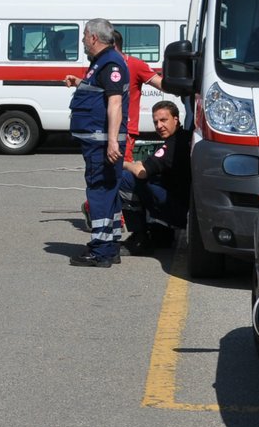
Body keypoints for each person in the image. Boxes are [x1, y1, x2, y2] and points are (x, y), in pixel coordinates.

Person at [63, 18, 128, 267]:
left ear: (93, 38)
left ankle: (100, 250)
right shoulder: (101, 63)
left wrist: (112, 141)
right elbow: (102, 93)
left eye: (83, 37)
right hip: (98, 141)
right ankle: (110, 245)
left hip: (102, 143)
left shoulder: (110, 62)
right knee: (108, 192)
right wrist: (80, 84)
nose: (82, 42)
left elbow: (115, 102)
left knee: (100, 191)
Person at [119, 100, 191, 256]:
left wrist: (125, 164)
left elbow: (141, 172)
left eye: (164, 120)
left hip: (181, 211)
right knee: (154, 182)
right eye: (156, 122)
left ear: (176, 120)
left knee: (125, 178)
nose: (159, 126)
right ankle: (161, 233)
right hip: (187, 206)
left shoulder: (173, 145)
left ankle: (140, 238)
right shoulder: (186, 138)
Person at [111, 29, 165, 142]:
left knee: (123, 160)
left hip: (125, 129)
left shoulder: (135, 64)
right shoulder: (101, 64)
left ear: (113, 45)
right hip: (102, 127)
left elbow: (162, 84)